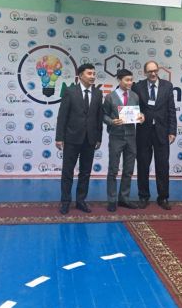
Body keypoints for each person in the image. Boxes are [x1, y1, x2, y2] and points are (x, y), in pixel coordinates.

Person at [55, 63, 103, 214]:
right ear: (81, 75)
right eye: (89, 73)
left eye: (94, 74)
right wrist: (59, 137)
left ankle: (81, 201)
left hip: (90, 139)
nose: (92, 76)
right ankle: (65, 202)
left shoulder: (98, 93)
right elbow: (62, 116)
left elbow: (99, 117)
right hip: (72, 138)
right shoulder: (70, 91)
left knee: (85, 172)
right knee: (67, 171)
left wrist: (99, 137)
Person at [132, 61, 177, 210]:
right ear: (145, 72)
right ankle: (143, 196)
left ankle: (163, 197)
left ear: (158, 70)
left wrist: (172, 131)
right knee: (143, 165)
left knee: (162, 166)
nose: (153, 73)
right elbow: (133, 107)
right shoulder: (137, 87)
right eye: (150, 71)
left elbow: (171, 110)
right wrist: (137, 115)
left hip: (162, 132)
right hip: (143, 132)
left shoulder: (167, 86)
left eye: (155, 70)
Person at [102, 69, 144, 212]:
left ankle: (124, 198)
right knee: (113, 170)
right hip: (116, 137)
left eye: (131, 80)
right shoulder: (110, 97)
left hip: (131, 137)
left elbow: (138, 113)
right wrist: (111, 121)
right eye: (127, 80)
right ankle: (112, 200)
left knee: (128, 170)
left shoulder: (135, 96)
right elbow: (104, 115)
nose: (130, 83)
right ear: (119, 80)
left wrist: (141, 116)